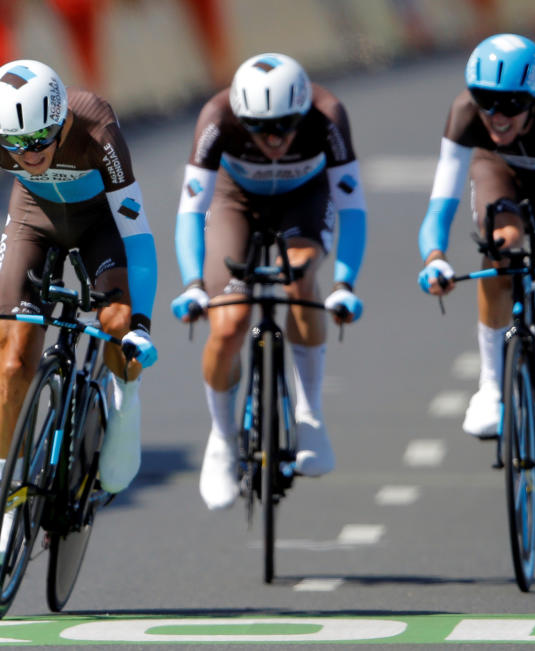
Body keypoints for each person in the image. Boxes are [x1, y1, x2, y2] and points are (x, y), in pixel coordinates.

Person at [0, 59, 158, 565]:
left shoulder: (97, 124)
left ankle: (124, 401)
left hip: (99, 225)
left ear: (62, 117)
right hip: (33, 221)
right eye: (17, 145)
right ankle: (6, 507)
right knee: (14, 357)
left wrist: (141, 324)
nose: (32, 152)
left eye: (43, 137)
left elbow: (138, 235)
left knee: (113, 324)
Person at [416, 33, 535, 544]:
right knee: (500, 252)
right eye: (485, 101)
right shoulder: (466, 114)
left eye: (510, 105)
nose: (495, 116)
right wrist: (434, 257)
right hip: (500, 176)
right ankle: (491, 384)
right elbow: (442, 202)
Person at [171, 53, 366, 510]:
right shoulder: (217, 116)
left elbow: (352, 208)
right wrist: (194, 283)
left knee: (299, 278)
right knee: (228, 320)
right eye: (260, 128)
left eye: (284, 125)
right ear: (241, 117)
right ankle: (221, 439)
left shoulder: (328, 116)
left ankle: (310, 414)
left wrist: (345, 283)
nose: (274, 138)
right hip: (234, 202)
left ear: (302, 113)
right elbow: (190, 211)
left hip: (304, 201)